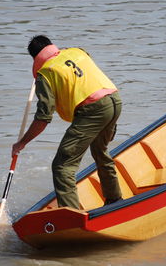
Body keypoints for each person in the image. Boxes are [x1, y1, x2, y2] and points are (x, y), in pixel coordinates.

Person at [12, 35, 123, 209]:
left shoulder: (45, 73)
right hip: (114, 100)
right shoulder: (76, 51)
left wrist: (22, 143)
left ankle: (72, 216)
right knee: (100, 151)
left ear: (35, 57)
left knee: (62, 167)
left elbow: (43, 117)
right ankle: (115, 200)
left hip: (93, 110)